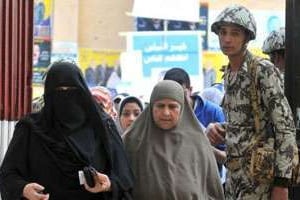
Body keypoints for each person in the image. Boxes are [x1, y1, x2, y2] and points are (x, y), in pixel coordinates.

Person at [0, 61, 133, 200]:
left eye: (71, 90)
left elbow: (124, 177)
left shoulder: (102, 127)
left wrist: (109, 185)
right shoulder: (30, 129)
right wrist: (23, 189)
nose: (65, 97)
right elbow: (8, 174)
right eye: (58, 91)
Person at [208, 5, 297, 199]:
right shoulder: (228, 75)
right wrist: (219, 128)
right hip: (235, 179)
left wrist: (281, 184)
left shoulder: (263, 70)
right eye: (223, 32)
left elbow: (286, 127)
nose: (227, 39)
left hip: (261, 181)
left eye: (235, 33)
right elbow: (246, 124)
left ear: (247, 37)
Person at [122, 80, 225, 200]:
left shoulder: (198, 143)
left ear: (182, 108)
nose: (166, 112)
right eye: (160, 106)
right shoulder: (133, 140)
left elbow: (212, 191)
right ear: (151, 107)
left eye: (172, 106)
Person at [163, 67, 226, 176]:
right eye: (171, 96)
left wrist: (202, 146)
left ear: (190, 90)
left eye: (181, 94)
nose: (177, 100)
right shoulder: (165, 116)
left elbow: (228, 159)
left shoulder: (214, 112)